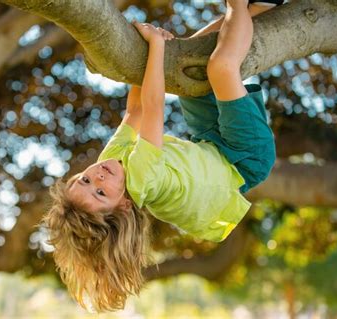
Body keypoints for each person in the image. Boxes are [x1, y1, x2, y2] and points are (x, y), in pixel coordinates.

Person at [44, 0, 282, 312]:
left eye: (85, 180)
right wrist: (155, 44)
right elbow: (155, 105)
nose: (97, 176)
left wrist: (145, 57)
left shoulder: (112, 161)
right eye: (101, 192)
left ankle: (258, 9)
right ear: (125, 206)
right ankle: (237, 5)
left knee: (184, 61)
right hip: (245, 159)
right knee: (221, 67)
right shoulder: (142, 179)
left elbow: (136, 109)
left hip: (211, 143)